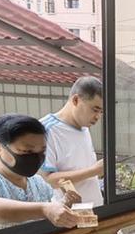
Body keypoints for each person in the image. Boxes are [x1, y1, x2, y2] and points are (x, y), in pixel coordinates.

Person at [0, 114, 82, 231]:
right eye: (27, 151)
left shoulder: (38, 183)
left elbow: (46, 218)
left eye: (42, 151)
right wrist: (44, 210)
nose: (35, 157)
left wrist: (64, 207)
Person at [40, 76, 104, 205]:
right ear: (75, 100)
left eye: (101, 112)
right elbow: (47, 180)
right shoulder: (46, 130)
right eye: (95, 110)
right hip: (68, 215)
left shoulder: (84, 128)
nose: (98, 117)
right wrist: (94, 171)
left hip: (93, 210)